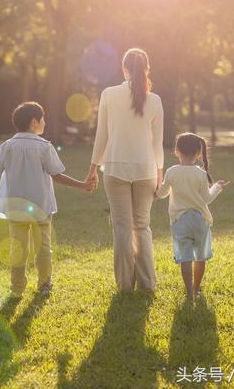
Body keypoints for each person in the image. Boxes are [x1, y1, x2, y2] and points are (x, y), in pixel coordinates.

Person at [0, 102, 93, 299]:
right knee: (43, 248)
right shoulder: (44, 147)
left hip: (16, 208)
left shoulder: (7, 146)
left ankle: (17, 287)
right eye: (43, 119)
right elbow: (57, 175)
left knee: (18, 248)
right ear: (34, 122)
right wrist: (82, 185)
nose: (44, 122)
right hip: (41, 208)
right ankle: (44, 283)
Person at [86, 48, 164, 292]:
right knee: (142, 226)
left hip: (115, 169)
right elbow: (157, 143)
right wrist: (160, 175)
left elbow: (102, 136)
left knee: (122, 227)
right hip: (147, 170)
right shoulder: (156, 100)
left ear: (124, 68)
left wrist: (93, 168)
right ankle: (148, 284)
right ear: (147, 69)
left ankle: (124, 285)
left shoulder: (109, 94)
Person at [156, 132, 229, 299]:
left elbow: (162, 193)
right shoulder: (200, 174)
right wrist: (217, 186)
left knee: (185, 258)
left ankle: (189, 292)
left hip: (179, 221)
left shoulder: (171, 172)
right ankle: (196, 288)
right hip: (199, 221)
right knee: (200, 257)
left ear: (176, 151)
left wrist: (155, 188)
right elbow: (207, 198)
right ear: (198, 153)